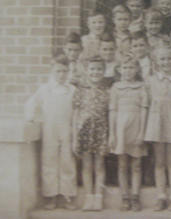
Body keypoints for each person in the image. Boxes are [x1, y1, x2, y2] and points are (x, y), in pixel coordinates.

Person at [25, 54, 77, 210]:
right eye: (58, 71)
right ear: (52, 72)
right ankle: (51, 196)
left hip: (67, 128)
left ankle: (67, 195)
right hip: (49, 128)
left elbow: (76, 110)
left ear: (69, 72)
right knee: (49, 160)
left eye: (65, 71)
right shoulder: (45, 89)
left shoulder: (72, 90)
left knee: (67, 161)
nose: (61, 75)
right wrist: (30, 119)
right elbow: (31, 104)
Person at [144, 46, 171, 211]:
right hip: (156, 122)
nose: (166, 62)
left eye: (169, 59)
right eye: (162, 59)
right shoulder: (151, 80)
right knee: (159, 162)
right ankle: (161, 195)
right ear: (156, 62)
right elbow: (146, 104)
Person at [108, 54, 149, 211]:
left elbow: (144, 111)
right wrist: (112, 134)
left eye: (131, 67)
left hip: (136, 127)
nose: (128, 71)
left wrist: (141, 133)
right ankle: (125, 196)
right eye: (124, 67)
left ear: (137, 69)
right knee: (122, 165)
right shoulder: (116, 87)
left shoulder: (141, 87)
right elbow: (112, 111)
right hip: (120, 129)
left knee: (137, 164)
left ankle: (135, 197)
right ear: (119, 69)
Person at [72, 55, 110, 211]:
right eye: (92, 69)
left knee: (100, 164)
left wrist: (110, 134)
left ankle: (99, 196)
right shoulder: (81, 90)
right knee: (87, 165)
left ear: (104, 71)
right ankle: (89, 197)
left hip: (102, 131)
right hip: (84, 131)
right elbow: (75, 114)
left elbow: (111, 113)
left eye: (99, 69)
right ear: (87, 70)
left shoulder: (108, 90)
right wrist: (74, 136)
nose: (96, 72)